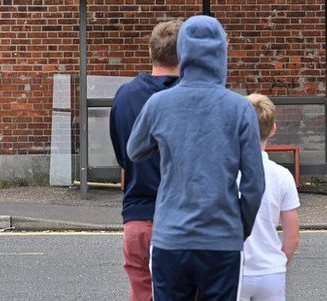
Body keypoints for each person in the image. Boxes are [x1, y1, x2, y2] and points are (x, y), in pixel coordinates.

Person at [126, 15, 265, 301]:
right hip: (221, 238)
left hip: (171, 237)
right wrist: (240, 228)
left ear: (184, 52)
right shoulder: (240, 108)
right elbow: (254, 185)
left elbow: (135, 150)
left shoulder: (159, 104)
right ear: (221, 54)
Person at [108, 20, 182, 301]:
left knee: (142, 293)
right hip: (183, 220)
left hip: (138, 217)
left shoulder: (125, 95)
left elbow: (123, 159)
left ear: (151, 52)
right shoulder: (190, 99)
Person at [239, 94, 300, 301]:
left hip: (236, 268)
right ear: (272, 129)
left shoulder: (227, 173)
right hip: (271, 271)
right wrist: (279, 264)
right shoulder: (283, 176)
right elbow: (292, 238)